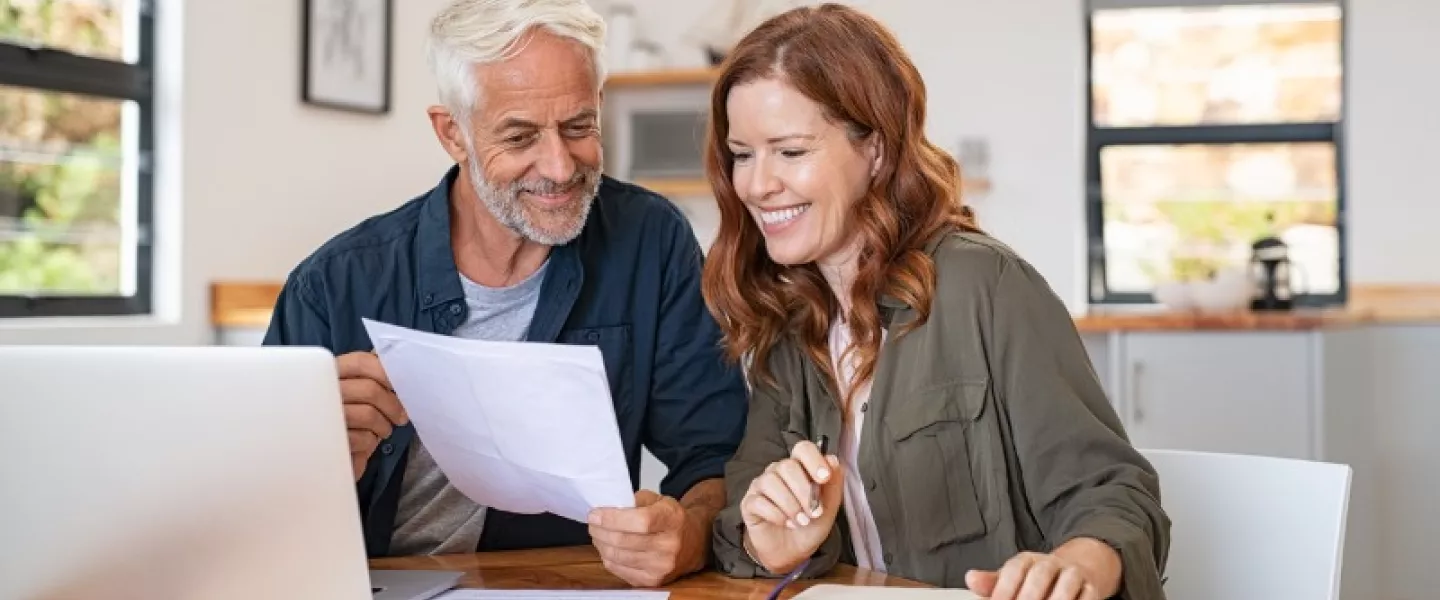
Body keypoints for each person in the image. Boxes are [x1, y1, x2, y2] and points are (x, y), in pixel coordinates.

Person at [263, 0, 747, 588]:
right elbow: (248, 512)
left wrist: (688, 534)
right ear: (452, 133)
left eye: (578, 127)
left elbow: (716, 456)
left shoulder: (651, 242)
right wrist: (314, 458)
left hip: (551, 585)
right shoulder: (333, 284)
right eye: (519, 136)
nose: (560, 165)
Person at [701, 5, 1170, 600]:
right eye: (742, 154)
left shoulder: (987, 285)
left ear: (874, 149)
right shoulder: (789, 316)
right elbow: (740, 516)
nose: (756, 184)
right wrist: (769, 541)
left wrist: (1079, 562)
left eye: (790, 152)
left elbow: (1113, 494)